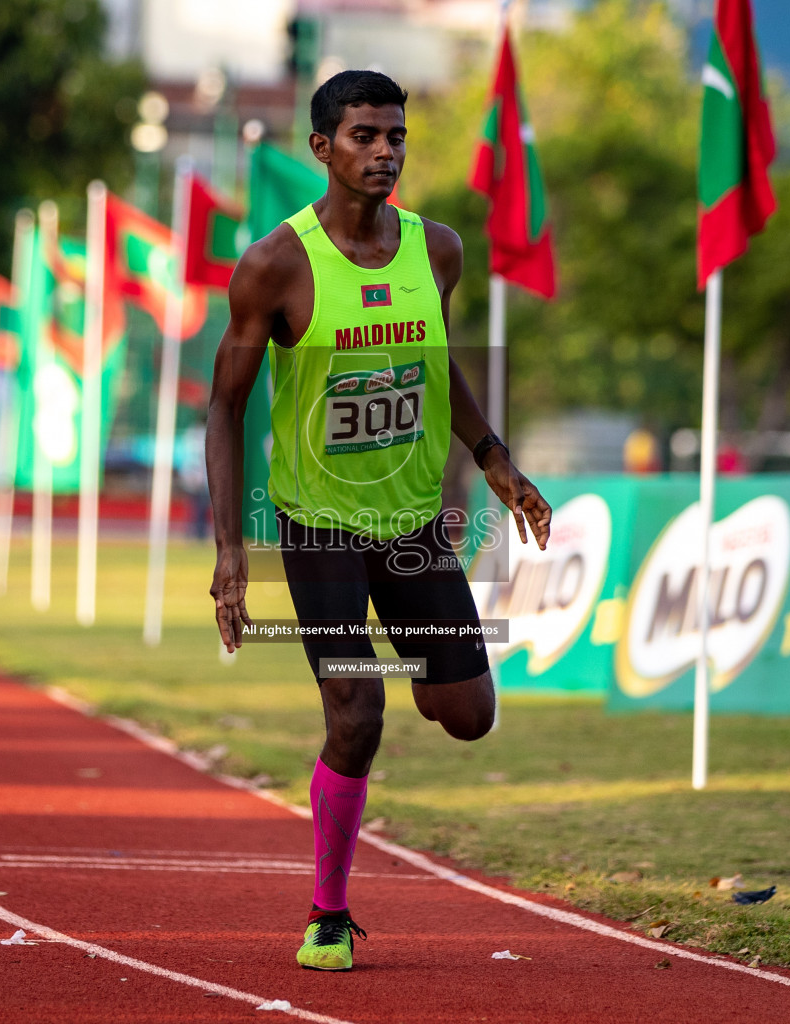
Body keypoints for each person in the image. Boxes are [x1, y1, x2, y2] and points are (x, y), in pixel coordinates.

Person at [205, 70, 551, 972]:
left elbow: (438, 370)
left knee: (467, 713)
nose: (385, 152)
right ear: (322, 148)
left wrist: (493, 457)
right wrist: (230, 553)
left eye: (395, 136)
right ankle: (328, 912)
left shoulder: (436, 251)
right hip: (317, 524)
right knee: (358, 712)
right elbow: (223, 404)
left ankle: (423, 668)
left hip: (410, 526)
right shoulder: (276, 265)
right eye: (364, 136)